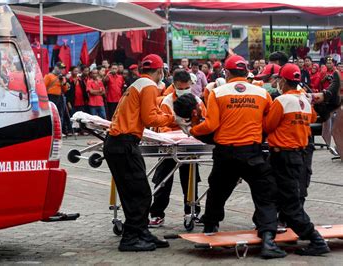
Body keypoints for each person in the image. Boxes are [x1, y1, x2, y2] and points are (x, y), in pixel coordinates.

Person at [190, 55, 286, 259]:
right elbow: (268, 123)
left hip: (226, 152)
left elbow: (210, 125)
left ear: (227, 72)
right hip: (252, 152)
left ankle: (209, 229)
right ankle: (268, 239)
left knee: (217, 191)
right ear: (247, 72)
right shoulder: (262, 93)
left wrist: (192, 130)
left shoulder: (217, 92)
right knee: (265, 194)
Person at [103, 54, 176, 252]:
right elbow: (150, 118)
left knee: (136, 192)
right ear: (160, 71)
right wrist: (171, 118)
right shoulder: (149, 86)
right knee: (140, 194)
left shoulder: (137, 84)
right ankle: (130, 239)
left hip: (120, 143)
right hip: (123, 143)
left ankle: (141, 232)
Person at [264, 63, 330, 256]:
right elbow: (311, 119)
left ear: (283, 81)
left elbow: (268, 126)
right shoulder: (305, 100)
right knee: (273, 195)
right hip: (296, 155)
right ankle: (269, 235)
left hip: (283, 155)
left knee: (289, 203)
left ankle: (315, 238)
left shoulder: (282, 101)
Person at [149, 71, 206, 227]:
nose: (184, 90)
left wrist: (193, 136)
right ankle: (157, 214)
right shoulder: (167, 102)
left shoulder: (197, 101)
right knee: (162, 181)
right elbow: (163, 127)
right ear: (174, 86)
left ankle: (192, 212)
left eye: (187, 87)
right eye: (181, 88)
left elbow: (203, 122)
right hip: (170, 147)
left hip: (190, 147)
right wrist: (178, 137)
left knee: (190, 180)